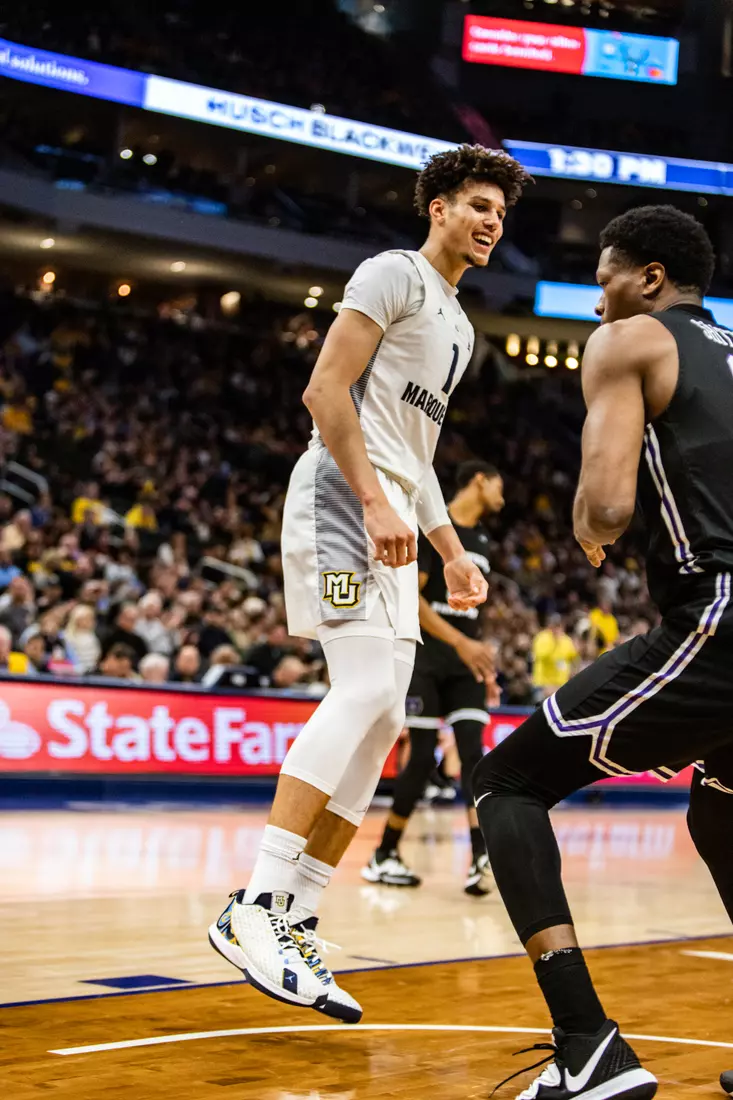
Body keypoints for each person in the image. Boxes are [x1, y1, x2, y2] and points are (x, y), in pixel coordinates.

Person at [208, 144, 530, 1023]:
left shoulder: (460, 329)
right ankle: (255, 906)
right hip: (339, 501)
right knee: (359, 695)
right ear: (436, 207)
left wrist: (450, 548)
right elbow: (324, 392)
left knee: (388, 714)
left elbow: (416, 458)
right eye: (474, 203)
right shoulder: (389, 273)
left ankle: (298, 914)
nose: (489, 220)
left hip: (388, 518)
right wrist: (370, 501)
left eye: (498, 210)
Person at [473, 205, 733, 1100]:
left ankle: (588, 1048)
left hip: (719, 615)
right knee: (720, 815)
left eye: (604, 277)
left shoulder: (629, 341)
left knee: (506, 785)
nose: (596, 301)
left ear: (649, 278)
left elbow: (610, 508)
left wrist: (588, 527)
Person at [362, 460, 503, 895]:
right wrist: (460, 644)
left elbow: (475, 615)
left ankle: (481, 856)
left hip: (466, 667)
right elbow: (414, 599)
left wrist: (481, 660)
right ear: (479, 479)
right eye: (499, 484)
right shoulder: (431, 527)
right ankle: (384, 853)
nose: (504, 494)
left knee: (473, 757)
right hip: (426, 659)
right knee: (421, 759)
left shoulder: (482, 540)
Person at [531, 614, 578, 702]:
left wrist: (573, 673)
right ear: (549, 625)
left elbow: (574, 658)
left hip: (561, 686)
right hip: (543, 685)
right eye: (554, 625)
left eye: (559, 625)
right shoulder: (541, 638)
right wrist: (554, 642)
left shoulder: (566, 640)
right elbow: (541, 656)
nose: (557, 628)